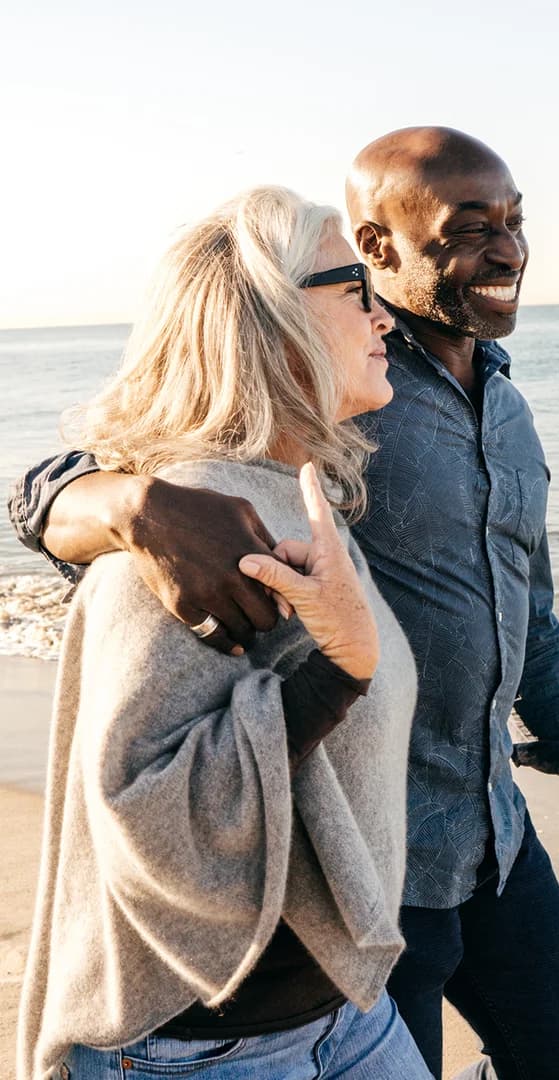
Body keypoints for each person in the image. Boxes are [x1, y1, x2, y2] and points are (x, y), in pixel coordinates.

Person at [9, 130, 559, 1080]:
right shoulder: (329, 401)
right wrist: (127, 503)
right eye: (466, 229)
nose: (507, 249)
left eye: (515, 222)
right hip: (361, 870)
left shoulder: (506, 412)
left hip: (493, 832)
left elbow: (535, 614)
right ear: (380, 248)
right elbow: (81, 473)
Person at [16, 187, 435, 1080]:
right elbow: (147, 813)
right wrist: (339, 674)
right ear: (268, 320)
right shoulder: (195, 530)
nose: (383, 316)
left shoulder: (294, 492)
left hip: (342, 1022)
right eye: (355, 287)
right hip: (198, 1051)